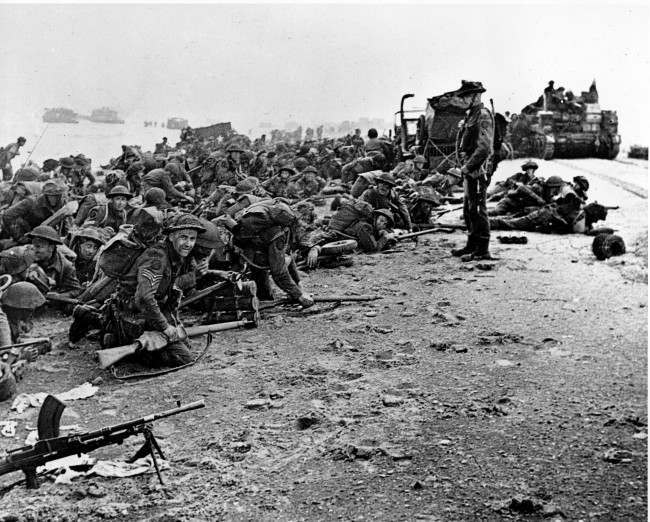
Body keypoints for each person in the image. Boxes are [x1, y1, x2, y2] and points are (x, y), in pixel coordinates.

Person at [100, 214, 206, 367]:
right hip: (134, 315)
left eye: (192, 239)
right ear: (170, 236)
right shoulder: (156, 258)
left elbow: (171, 286)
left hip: (151, 313)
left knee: (184, 349)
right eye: (183, 237)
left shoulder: (176, 255)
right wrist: (164, 327)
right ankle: (116, 338)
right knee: (183, 359)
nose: (188, 244)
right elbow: (144, 298)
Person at [227, 199, 313, 306]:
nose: (305, 230)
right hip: (243, 256)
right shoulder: (280, 232)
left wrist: (299, 286)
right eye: (305, 227)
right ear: (300, 219)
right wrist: (299, 296)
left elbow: (288, 257)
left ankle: (262, 297)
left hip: (246, 249)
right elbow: (279, 273)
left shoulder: (278, 220)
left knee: (265, 296)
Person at [449, 80, 494, 261]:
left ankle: (482, 249)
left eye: (466, 96)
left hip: (477, 170)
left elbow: (484, 148)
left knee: (477, 209)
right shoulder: (472, 115)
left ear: (476, 96)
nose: (463, 100)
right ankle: (472, 244)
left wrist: (466, 168)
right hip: (469, 170)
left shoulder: (482, 115)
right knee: (469, 209)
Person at [25, 225, 82, 298]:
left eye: (38, 247)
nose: (34, 250)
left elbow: (76, 290)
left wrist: (58, 296)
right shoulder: (24, 255)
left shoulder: (66, 266)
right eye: (33, 245)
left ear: (51, 248)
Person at [2, 181, 67, 244]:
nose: (54, 199)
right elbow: (7, 215)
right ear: (46, 195)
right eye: (51, 196)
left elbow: (64, 221)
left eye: (57, 196)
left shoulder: (62, 204)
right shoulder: (31, 202)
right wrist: (19, 237)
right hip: (26, 235)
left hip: (44, 237)